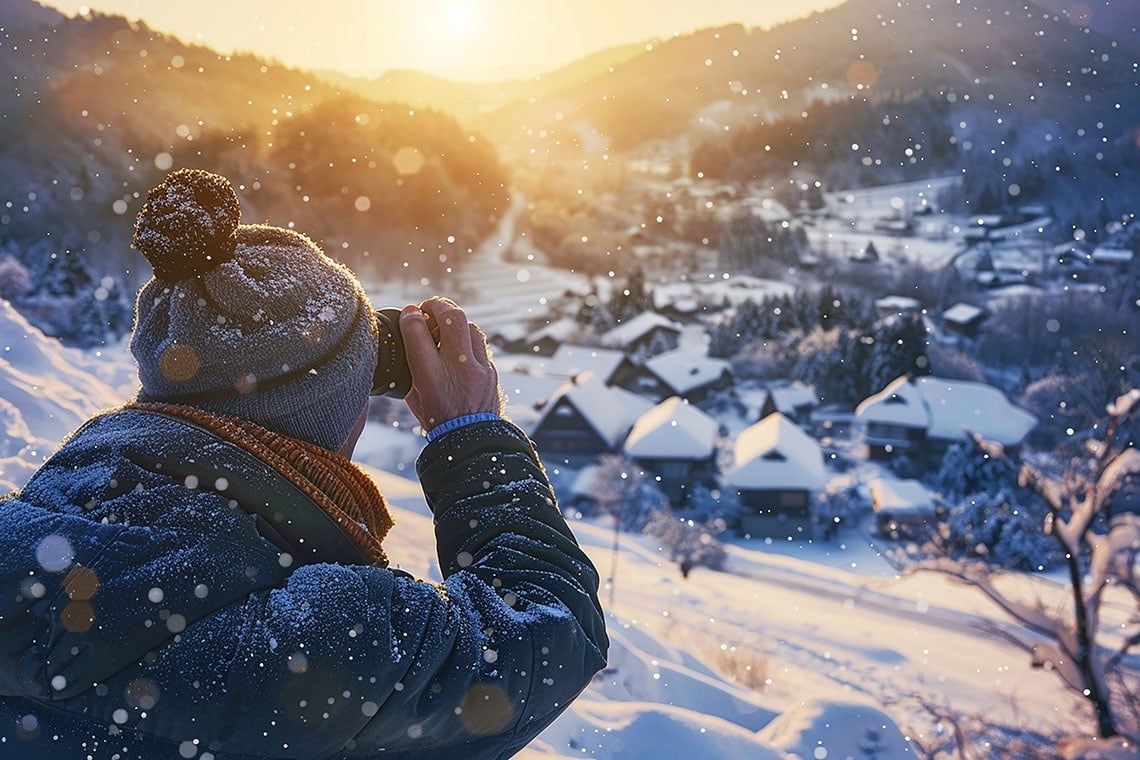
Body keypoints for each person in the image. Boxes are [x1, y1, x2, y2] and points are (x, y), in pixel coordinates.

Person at [0, 168, 608, 758]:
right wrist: (473, 435)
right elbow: (549, 633)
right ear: (332, 421)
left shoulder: (24, 540)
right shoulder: (313, 642)